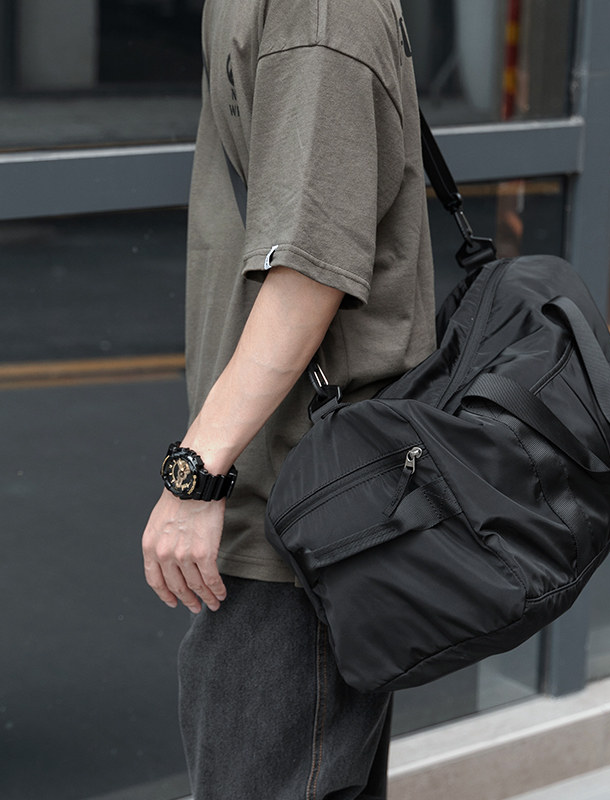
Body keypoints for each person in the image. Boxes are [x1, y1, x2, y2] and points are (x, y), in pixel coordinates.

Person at [141, 1, 436, 797]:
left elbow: (309, 273)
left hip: (301, 517)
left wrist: (195, 476)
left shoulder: (318, 12)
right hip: (300, 501)